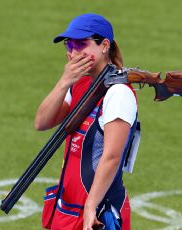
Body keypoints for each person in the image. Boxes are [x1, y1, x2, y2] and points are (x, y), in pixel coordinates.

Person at [35, 13, 137, 230]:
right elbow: (42, 122)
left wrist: (91, 206)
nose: (73, 52)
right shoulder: (81, 84)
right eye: (69, 45)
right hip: (69, 207)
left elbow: (111, 156)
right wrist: (64, 82)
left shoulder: (119, 93)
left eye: (81, 44)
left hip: (96, 213)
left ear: (104, 46)